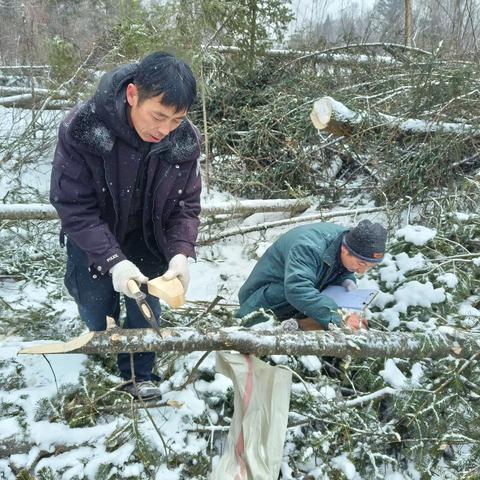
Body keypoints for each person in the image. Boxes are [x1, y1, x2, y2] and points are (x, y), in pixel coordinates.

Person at [50, 52, 201, 399]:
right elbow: (73, 205)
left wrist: (180, 253)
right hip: (93, 236)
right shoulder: (84, 128)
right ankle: (103, 340)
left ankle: (139, 374)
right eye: (158, 116)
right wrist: (114, 262)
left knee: (146, 308)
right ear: (133, 95)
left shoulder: (183, 139)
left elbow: (186, 205)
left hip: (148, 238)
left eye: (176, 120)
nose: (164, 130)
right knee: (96, 307)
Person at [236, 220, 387, 331]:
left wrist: (346, 280)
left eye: (370, 267)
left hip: (296, 298)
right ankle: (289, 326)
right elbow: (297, 289)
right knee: (326, 314)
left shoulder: (349, 241)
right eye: (360, 264)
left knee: (328, 315)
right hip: (261, 301)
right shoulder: (308, 247)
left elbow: (338, 266)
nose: (362, 271)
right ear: (345, 249)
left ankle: (299, 325)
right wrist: (340, 317)